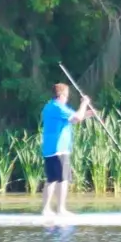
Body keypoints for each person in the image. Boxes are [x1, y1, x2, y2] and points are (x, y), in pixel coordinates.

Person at [40, 83, 95, 217]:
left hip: (50, 149)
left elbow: (74, 119)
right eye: (66, 95)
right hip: (59, 149)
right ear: (61, 95)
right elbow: (77, 117)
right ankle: (61, 209)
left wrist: (88, 114)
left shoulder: (50, 107)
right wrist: (84, 103)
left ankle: (46, 209)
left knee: (51, 179)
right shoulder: (58, 107)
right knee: (63, 179)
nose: (67, 98)